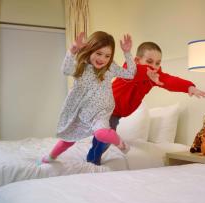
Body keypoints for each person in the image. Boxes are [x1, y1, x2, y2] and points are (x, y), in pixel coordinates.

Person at [86, 41, 205, 165]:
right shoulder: (129, 70)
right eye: (149, 62)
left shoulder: (154, 76)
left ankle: (93, 154)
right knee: (106, 138)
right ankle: (93, 159)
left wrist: (189, 87)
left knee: (102, 137)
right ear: (137, 60)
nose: (154, 66)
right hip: (105, 107)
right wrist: (146, 72)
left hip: (115, 113)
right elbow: (136, 71)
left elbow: (170, 81)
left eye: (157, 63)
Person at [40, 31, 136, 164]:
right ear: (90, 50)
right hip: (82, 111)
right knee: (67, 141)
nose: (102, 59)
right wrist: (72, 50)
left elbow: (131, 74)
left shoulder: (110, 68)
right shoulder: (81, 68)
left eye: (107, 56)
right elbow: (65, 70)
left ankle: (121, 144)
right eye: (98, 53)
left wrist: (127, 53)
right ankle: (50, 157)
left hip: (101, 113)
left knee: (101, 133)